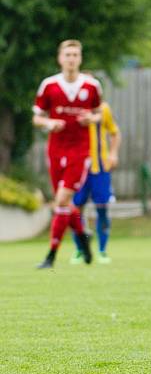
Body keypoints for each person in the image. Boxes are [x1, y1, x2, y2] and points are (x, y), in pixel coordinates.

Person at [32, 39, 103, 269]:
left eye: (75, 55)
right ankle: (83, 239)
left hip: (80, 151)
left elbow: (99, 114)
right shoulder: (49, 85)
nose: (71, 59)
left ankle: (51, 255)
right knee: (65, 203)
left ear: (80, 59)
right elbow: (37, 117)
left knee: (61, 200)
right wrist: (49, 123)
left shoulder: (91, 86)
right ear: (60, 58)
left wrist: (90, 119)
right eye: (68, 55)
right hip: (55, 149)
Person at [71, 100, 121, 264]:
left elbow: (115, 132)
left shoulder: (104, 108)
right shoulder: (72, 109)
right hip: (78, 168)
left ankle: (102, 251)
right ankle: (80, 249)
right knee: (76, 211)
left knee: (102, 210)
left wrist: (113, 154)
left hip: (100, 168)